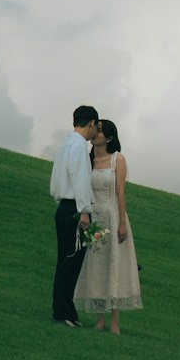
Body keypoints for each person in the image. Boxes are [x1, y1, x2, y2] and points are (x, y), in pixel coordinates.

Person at [74, 118, 143, 335]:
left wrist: (122, 223)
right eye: (96, 130)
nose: (96, 134)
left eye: (101, 132)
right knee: (96, 264)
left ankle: (114, 322)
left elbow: (120, 192)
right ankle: (99, 319)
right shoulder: (89, 160)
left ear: (110, 137)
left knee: (114, 263)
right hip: (95, 219)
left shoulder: (117, 160)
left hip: (113, 216)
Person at [49, 105, 100, 326]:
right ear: (91, 123)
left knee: (65, 261)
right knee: (71, 262)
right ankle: (62, 312)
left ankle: (65, 310)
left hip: (63, 207)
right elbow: (79, 179)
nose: (95, 132)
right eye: (95, 127)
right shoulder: (79, 146)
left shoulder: (65, 143)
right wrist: (85, 212)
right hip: (75, 209)